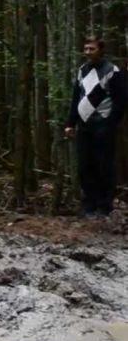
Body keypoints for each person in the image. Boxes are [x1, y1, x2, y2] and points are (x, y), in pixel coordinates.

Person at [64, 36, 127, 217]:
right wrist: (70, 123)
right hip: (84, 125)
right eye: (86, 49)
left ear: (101, 50)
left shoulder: (112, 71)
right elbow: (77, 97)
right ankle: (88, 205)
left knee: (103, 165)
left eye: (92, 49)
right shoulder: (82, 70)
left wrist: (110, 123)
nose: (88, 53)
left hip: (103, 125)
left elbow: (121, 101)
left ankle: (104, 205)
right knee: (85, 166)